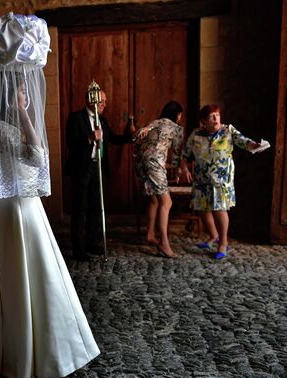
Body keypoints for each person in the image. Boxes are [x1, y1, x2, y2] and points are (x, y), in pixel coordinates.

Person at [0, 12, 100, 378]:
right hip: (11, 207)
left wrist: (25, 117)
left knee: (39, 278)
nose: (27, 93)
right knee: (14, 279)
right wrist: (23, 118)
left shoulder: (16, 122)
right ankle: (18, 348)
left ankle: (49, 345)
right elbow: (30, 158)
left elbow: (37, 155)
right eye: (22, 89)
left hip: (27, 207)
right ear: (10, 92)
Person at [179, 104, 266, 259]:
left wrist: (256, 145)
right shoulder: (196, 134)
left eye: (217, 115)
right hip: (201, 179)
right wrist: (184, 170)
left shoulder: (228, 131)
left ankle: (223, 243)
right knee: (202, 208)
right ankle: (213, 236)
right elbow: (185, 155)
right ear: (203, 121)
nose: (216, 118)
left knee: (219, 209)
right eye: (212, 116)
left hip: (221, 179)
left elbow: (244, 142)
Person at [64, 86, 134, 261]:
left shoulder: (102, 121)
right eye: (101, 101)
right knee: (80, 209)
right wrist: (89, 137)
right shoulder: (76, 118)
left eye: (105, 102)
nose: (104, 104)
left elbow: (114, 139)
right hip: (82, 169)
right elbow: (71, 143)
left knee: (96, 207)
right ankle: (78, 249)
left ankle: (91, 242)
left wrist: (132, 136)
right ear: (90, 100)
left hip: (98, 168)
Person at [134, 100, 185, 258]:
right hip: (154, 163)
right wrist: (177, 171)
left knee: (154, 200)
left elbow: (138, 138)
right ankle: (163, 243)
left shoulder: (155, 122)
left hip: (140, 162)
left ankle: (150, 234)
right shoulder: (177, 129)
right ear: (178, 115)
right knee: (166, 202)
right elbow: (177, 154)